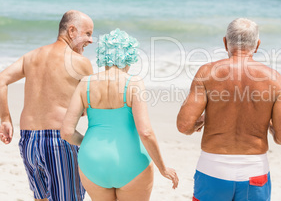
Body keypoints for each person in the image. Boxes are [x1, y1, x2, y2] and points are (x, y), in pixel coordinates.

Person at [177, 18, 281, 201]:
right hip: (254, 171)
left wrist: (204, 119)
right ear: (257, 45)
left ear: (225, 42)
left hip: (212, 168)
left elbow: (184, 125)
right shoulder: (273, 79)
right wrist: (268, 124)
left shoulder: (207, 73)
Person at [61, 28, 179, 201]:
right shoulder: (134, 83)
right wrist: (163, 168)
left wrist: (86, 142)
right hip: (132, 163)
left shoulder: (85, 83)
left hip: (93, 162)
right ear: (129, 56)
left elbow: (67, 132)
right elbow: (145, 132)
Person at [0, 10, 94, 201]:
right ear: (72, 31)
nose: (90, 40)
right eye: (88, 34)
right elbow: (90, 108)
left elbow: (1, 79)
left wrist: (4, 118)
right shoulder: (81, 63)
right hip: (59, 141)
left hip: (29, 140)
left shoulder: (31, 56)